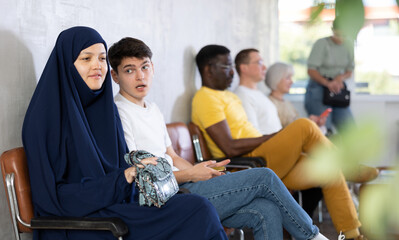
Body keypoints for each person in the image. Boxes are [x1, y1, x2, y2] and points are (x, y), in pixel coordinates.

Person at [109, 37, 329, 240]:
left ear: (152, 68)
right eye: (130, 70)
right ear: (115, 76)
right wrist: (192, 174)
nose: (140, 76)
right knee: (265, 177)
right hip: (165, 198)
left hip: (183, 185)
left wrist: (202, 174)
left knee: (266, 210)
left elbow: (172, 155)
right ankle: (311, 236)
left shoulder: (153, 109)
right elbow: (139, 174)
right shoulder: (118, 112)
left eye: (144, 67)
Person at [21, 26, 228, 240]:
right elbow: (54, 199)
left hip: (116, 207)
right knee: (197, 211)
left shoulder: (104, 113)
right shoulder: (44, 120)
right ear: (67, 65)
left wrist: (133, 176)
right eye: (86, 59)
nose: (97, 66)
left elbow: (122, 176)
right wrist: (124, 177)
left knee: (196, 207)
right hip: (84, 222)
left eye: (102, 58)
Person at [191, 44, 376, 240]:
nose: (232, 73)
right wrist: (274, 136)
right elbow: (228, 147)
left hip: (263, 157)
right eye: (226, 67)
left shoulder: (228, 96)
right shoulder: (205, 98)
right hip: (247, 163)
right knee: (303, 126)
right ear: (209, 69)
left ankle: (352, 235)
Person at [234, 49, 324, 218]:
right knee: (304, 125)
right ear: (244, 68)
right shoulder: (242, 96)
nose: (264, 66)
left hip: (276, 149)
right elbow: (255, 135)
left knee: (324, 171)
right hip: (267, 156)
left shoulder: (259, 95)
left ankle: (348, 232)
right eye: (259, 62)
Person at [305, 18, 355, 133]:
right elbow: (311, 70)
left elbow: (349, 70)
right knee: (324, 131)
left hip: (337, 89)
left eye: (344, 34)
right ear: (333, 30)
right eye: (338, 34)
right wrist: (328, 83)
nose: (341, 38)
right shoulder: (321, 44)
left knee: (350, 131)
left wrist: (339, 78)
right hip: (319, 87)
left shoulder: (349, 45)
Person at [265, 61, 328, 134]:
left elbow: (294, 123)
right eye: (288, 78)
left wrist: (312, 122)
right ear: (276, 79)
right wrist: (308, 123)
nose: (292, 82)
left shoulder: (286, 102)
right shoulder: (270, 104)